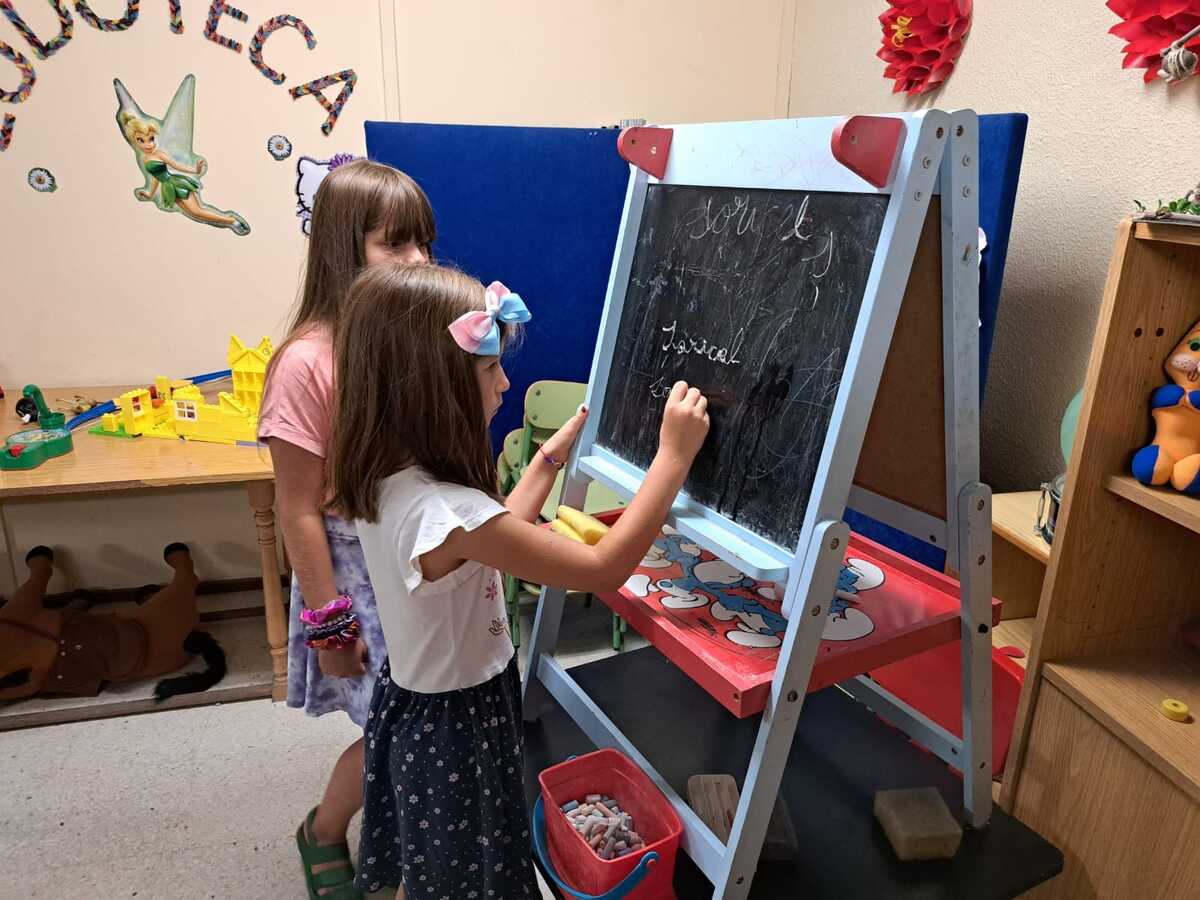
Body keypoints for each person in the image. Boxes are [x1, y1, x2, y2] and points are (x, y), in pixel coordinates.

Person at [327, 264, 710, 898]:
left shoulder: (392, 481)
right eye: (489, 369)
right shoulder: (448, 513)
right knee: (464, 874)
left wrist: (551, 455)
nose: (505, 382)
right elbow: (603, 568)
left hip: (419, 705)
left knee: (434, 864)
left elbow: (498, 525)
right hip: (457, 724)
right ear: (432, 390)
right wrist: (673, 458)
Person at [258, 159, 436, 899]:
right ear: (342, 248)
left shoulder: (405, 337)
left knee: (423, 722)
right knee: (391, 730)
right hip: (351, 572)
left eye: (423, 242)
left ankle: (407, 842)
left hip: (414, 557)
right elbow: (298, 509)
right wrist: (331, 627)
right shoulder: (305, 365)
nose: (418, 261)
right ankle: (325, 830)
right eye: (395, 244)